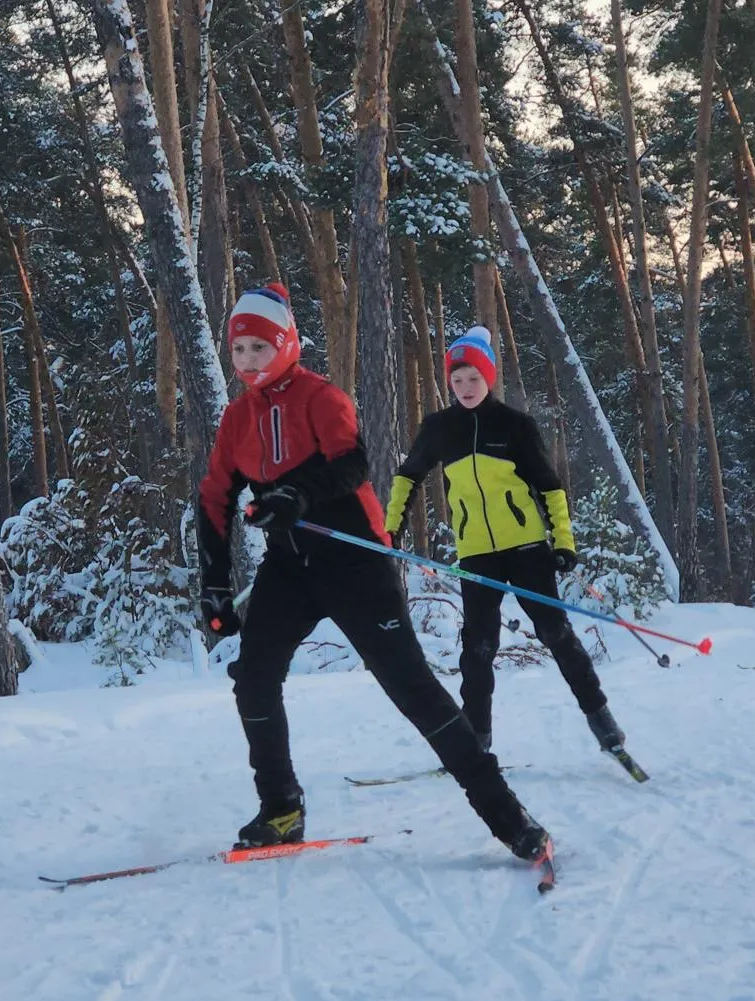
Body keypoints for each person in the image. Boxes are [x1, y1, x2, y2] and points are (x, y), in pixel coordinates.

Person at [197, 286, 549, 864]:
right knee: (254, 676)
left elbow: (352, 463)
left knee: (412, 689)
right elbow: (214, 498)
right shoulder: (237, 419)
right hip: (290, 565)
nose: (249, 360)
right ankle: (280, 808)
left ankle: (508, 816)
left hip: (356, 558)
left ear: (286, 345)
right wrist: (213, 582)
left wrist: (294, 496)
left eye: (261, 346)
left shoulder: (321, 397)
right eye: (240, 349)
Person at [380, 327, 626, 758]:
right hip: (476, 553)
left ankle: (600, 716)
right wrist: (390, 527)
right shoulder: (439, 427)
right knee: (478, 648)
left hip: (527, 548)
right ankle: (477, 738)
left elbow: (550, 487)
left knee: (555, 633)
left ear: (488, 376)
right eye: (457, 380)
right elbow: (408, 476)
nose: (465, 388)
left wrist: (563, 542)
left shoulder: (515, 426)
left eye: (473, 378)